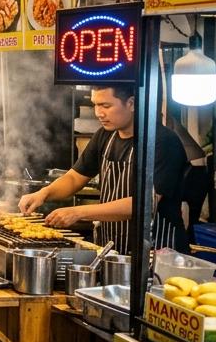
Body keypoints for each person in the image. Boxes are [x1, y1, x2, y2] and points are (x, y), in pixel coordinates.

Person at [19, 85, 188, 253]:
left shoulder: (162, 142)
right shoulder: (105, 135)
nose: (98, 113)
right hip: (112, 248)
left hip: (156, 252)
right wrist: (44, 193)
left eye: (106, 106)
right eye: (95, 105)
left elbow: (144, 203)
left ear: (131, 103)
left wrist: (79, 212)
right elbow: (74, 178)